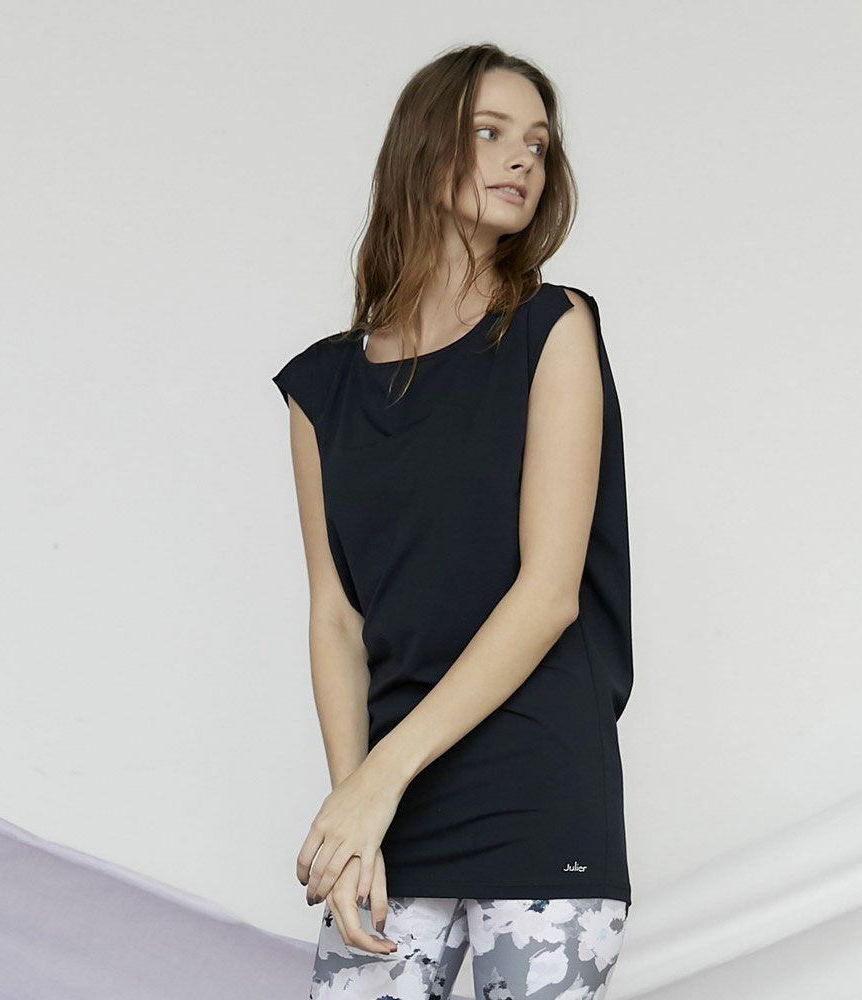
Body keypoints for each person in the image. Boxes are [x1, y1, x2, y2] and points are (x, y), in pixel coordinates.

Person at [273, 42, 633, 1000]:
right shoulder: (322, 387)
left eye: (538, 144)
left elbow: (549, 594)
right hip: (393, 804)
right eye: (489, 132)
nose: (521, 159)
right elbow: (335, 616)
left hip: (538, 787)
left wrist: (375, 781)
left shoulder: (555, 329)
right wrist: (356, 810)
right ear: (424, 148)